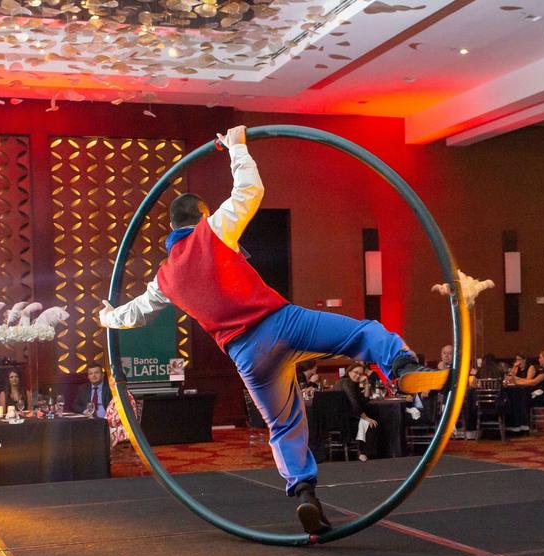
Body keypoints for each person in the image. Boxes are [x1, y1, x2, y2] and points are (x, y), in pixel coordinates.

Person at [97, 125, 444, 535]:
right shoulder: (214, 230)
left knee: (284, 425)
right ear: (202, 215)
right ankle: (403, 368)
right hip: (281, 323)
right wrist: (237, 147)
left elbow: (135, 313)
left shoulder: (164, 277)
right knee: (362, 334)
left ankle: (305, 493)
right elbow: (249, 190)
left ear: (172, 229)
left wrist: (107, 317)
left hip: (247, 356)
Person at [337, 363, 378, 462]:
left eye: (360, 374)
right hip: (343, 420)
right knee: (370, 423)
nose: (358, 375)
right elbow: (354, 403)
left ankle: (364, 452)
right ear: (349, 372)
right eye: (356, 372)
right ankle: (363, 453)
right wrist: (365, 417)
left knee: (371, 421)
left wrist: (367, 384)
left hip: (348, 416)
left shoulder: (352, 383)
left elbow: (364, 400)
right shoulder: (346, 382)